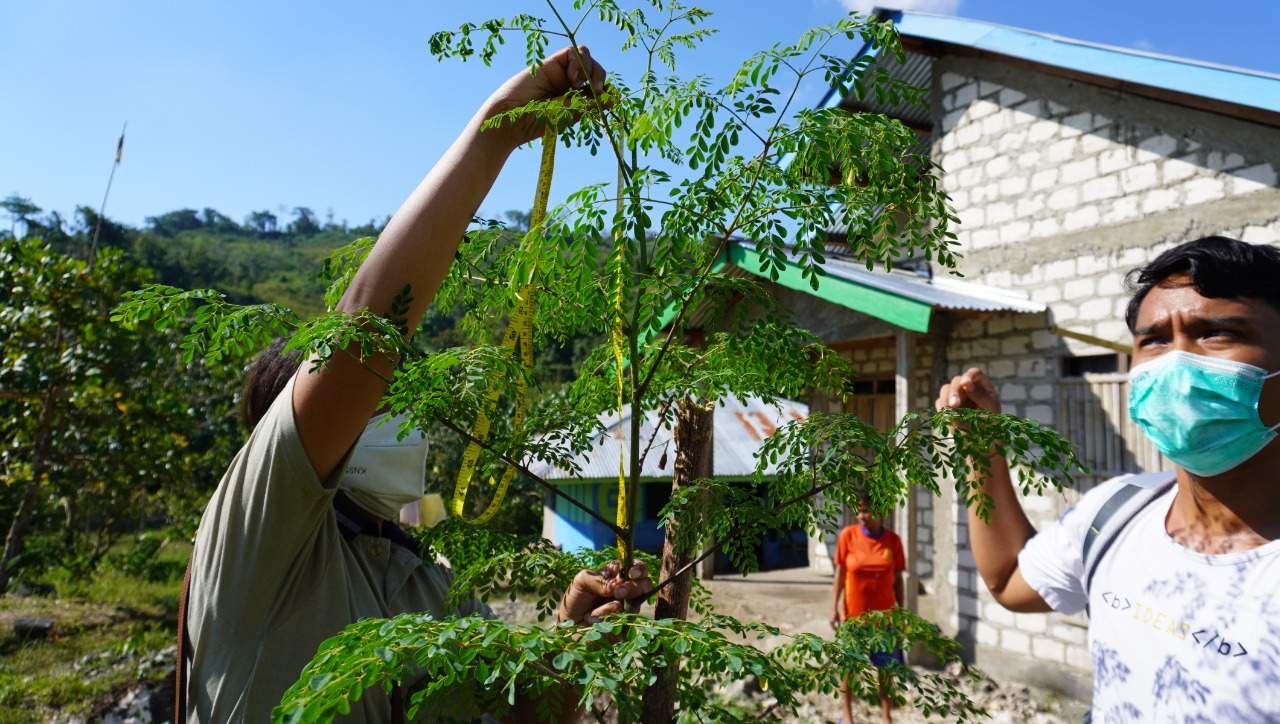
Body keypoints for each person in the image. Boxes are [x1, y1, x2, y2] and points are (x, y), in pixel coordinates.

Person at [181, 46, 653, 722]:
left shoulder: (426, 583)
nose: (403, 416)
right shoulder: (260, 539)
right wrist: (496, 132)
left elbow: (526, 713)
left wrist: (577, 634)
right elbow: (363, 336)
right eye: (379, 397)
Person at [936, 236, 1280, 721]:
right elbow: (1010, 579)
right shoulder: (1117, 512)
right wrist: (979, 446)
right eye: (1155, 340)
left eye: (1216, 332)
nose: (1176, 364)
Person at [830, 496, 906, 724]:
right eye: (859, 511)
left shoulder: (893, 541)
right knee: (849, 668)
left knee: (885, 670)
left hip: (885, 621)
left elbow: (898, 579)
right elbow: (840, 574)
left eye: (867, 511)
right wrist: (833, 608)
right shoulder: (848, 536)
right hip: (854, 618)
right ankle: (847, 715)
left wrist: (901, 613)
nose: (862, 516)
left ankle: (886, 716)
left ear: (880, 512)